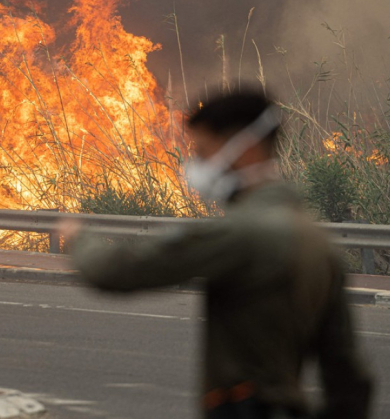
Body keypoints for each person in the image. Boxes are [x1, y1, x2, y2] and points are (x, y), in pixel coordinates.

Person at [63, 89, 373, 419]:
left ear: (246, 148)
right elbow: (347, 374)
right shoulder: (316, 241)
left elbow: (117, 270)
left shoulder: (241, 234)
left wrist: (79, 238)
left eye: (203, 151)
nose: (196, 164)